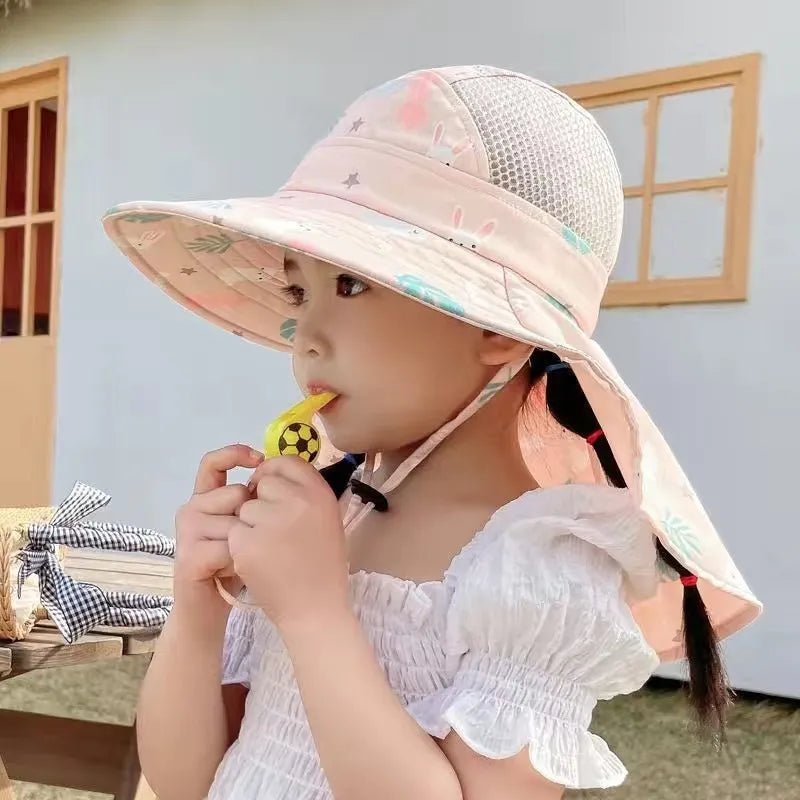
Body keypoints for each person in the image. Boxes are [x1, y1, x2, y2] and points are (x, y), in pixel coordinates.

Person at [102, 65, 762, 800]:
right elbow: (184, 778)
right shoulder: (331, 509)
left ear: (497, 331)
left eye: (352, 285)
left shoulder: (539, 567)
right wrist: (197, 606)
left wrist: (315, 612)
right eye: (299, 291)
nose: (306, 336)